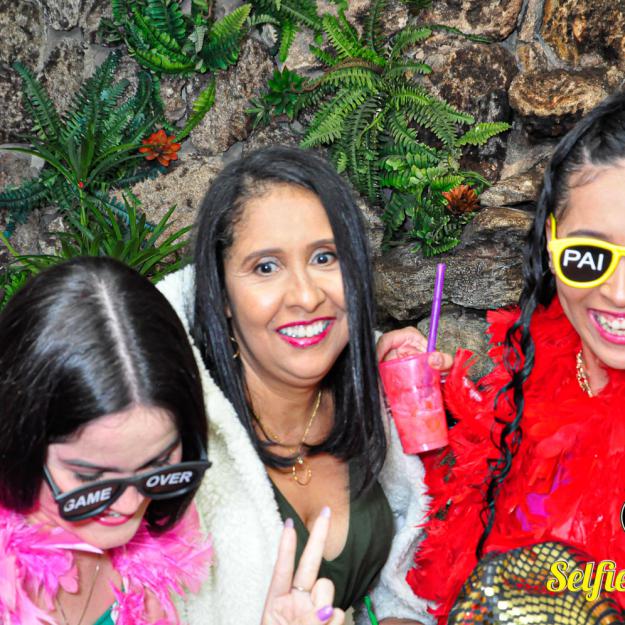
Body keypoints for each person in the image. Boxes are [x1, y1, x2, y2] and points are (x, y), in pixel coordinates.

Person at [157, 145, 439, 625]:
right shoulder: (171, 441)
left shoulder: (379, 401)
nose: (306, 297)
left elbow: (403, 585)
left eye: (325, 257)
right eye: (266, 267)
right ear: (220, 294)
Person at [0, 256, 345, 625]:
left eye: (158, 465)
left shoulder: (161, 544)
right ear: (19, 442)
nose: (131, 504)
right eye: (90, 477)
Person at [405, 90, 625, 622]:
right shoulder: (530, 374)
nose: (618, 293)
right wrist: (419, 413)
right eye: (590, 256)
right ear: (552, 244)